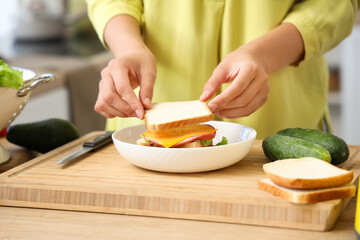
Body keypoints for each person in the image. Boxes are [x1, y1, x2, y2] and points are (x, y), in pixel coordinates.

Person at [85, 0, 358, 139]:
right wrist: (129, 48)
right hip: (144, 132)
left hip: (277, 125)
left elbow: (334, 4)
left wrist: (262, 56)